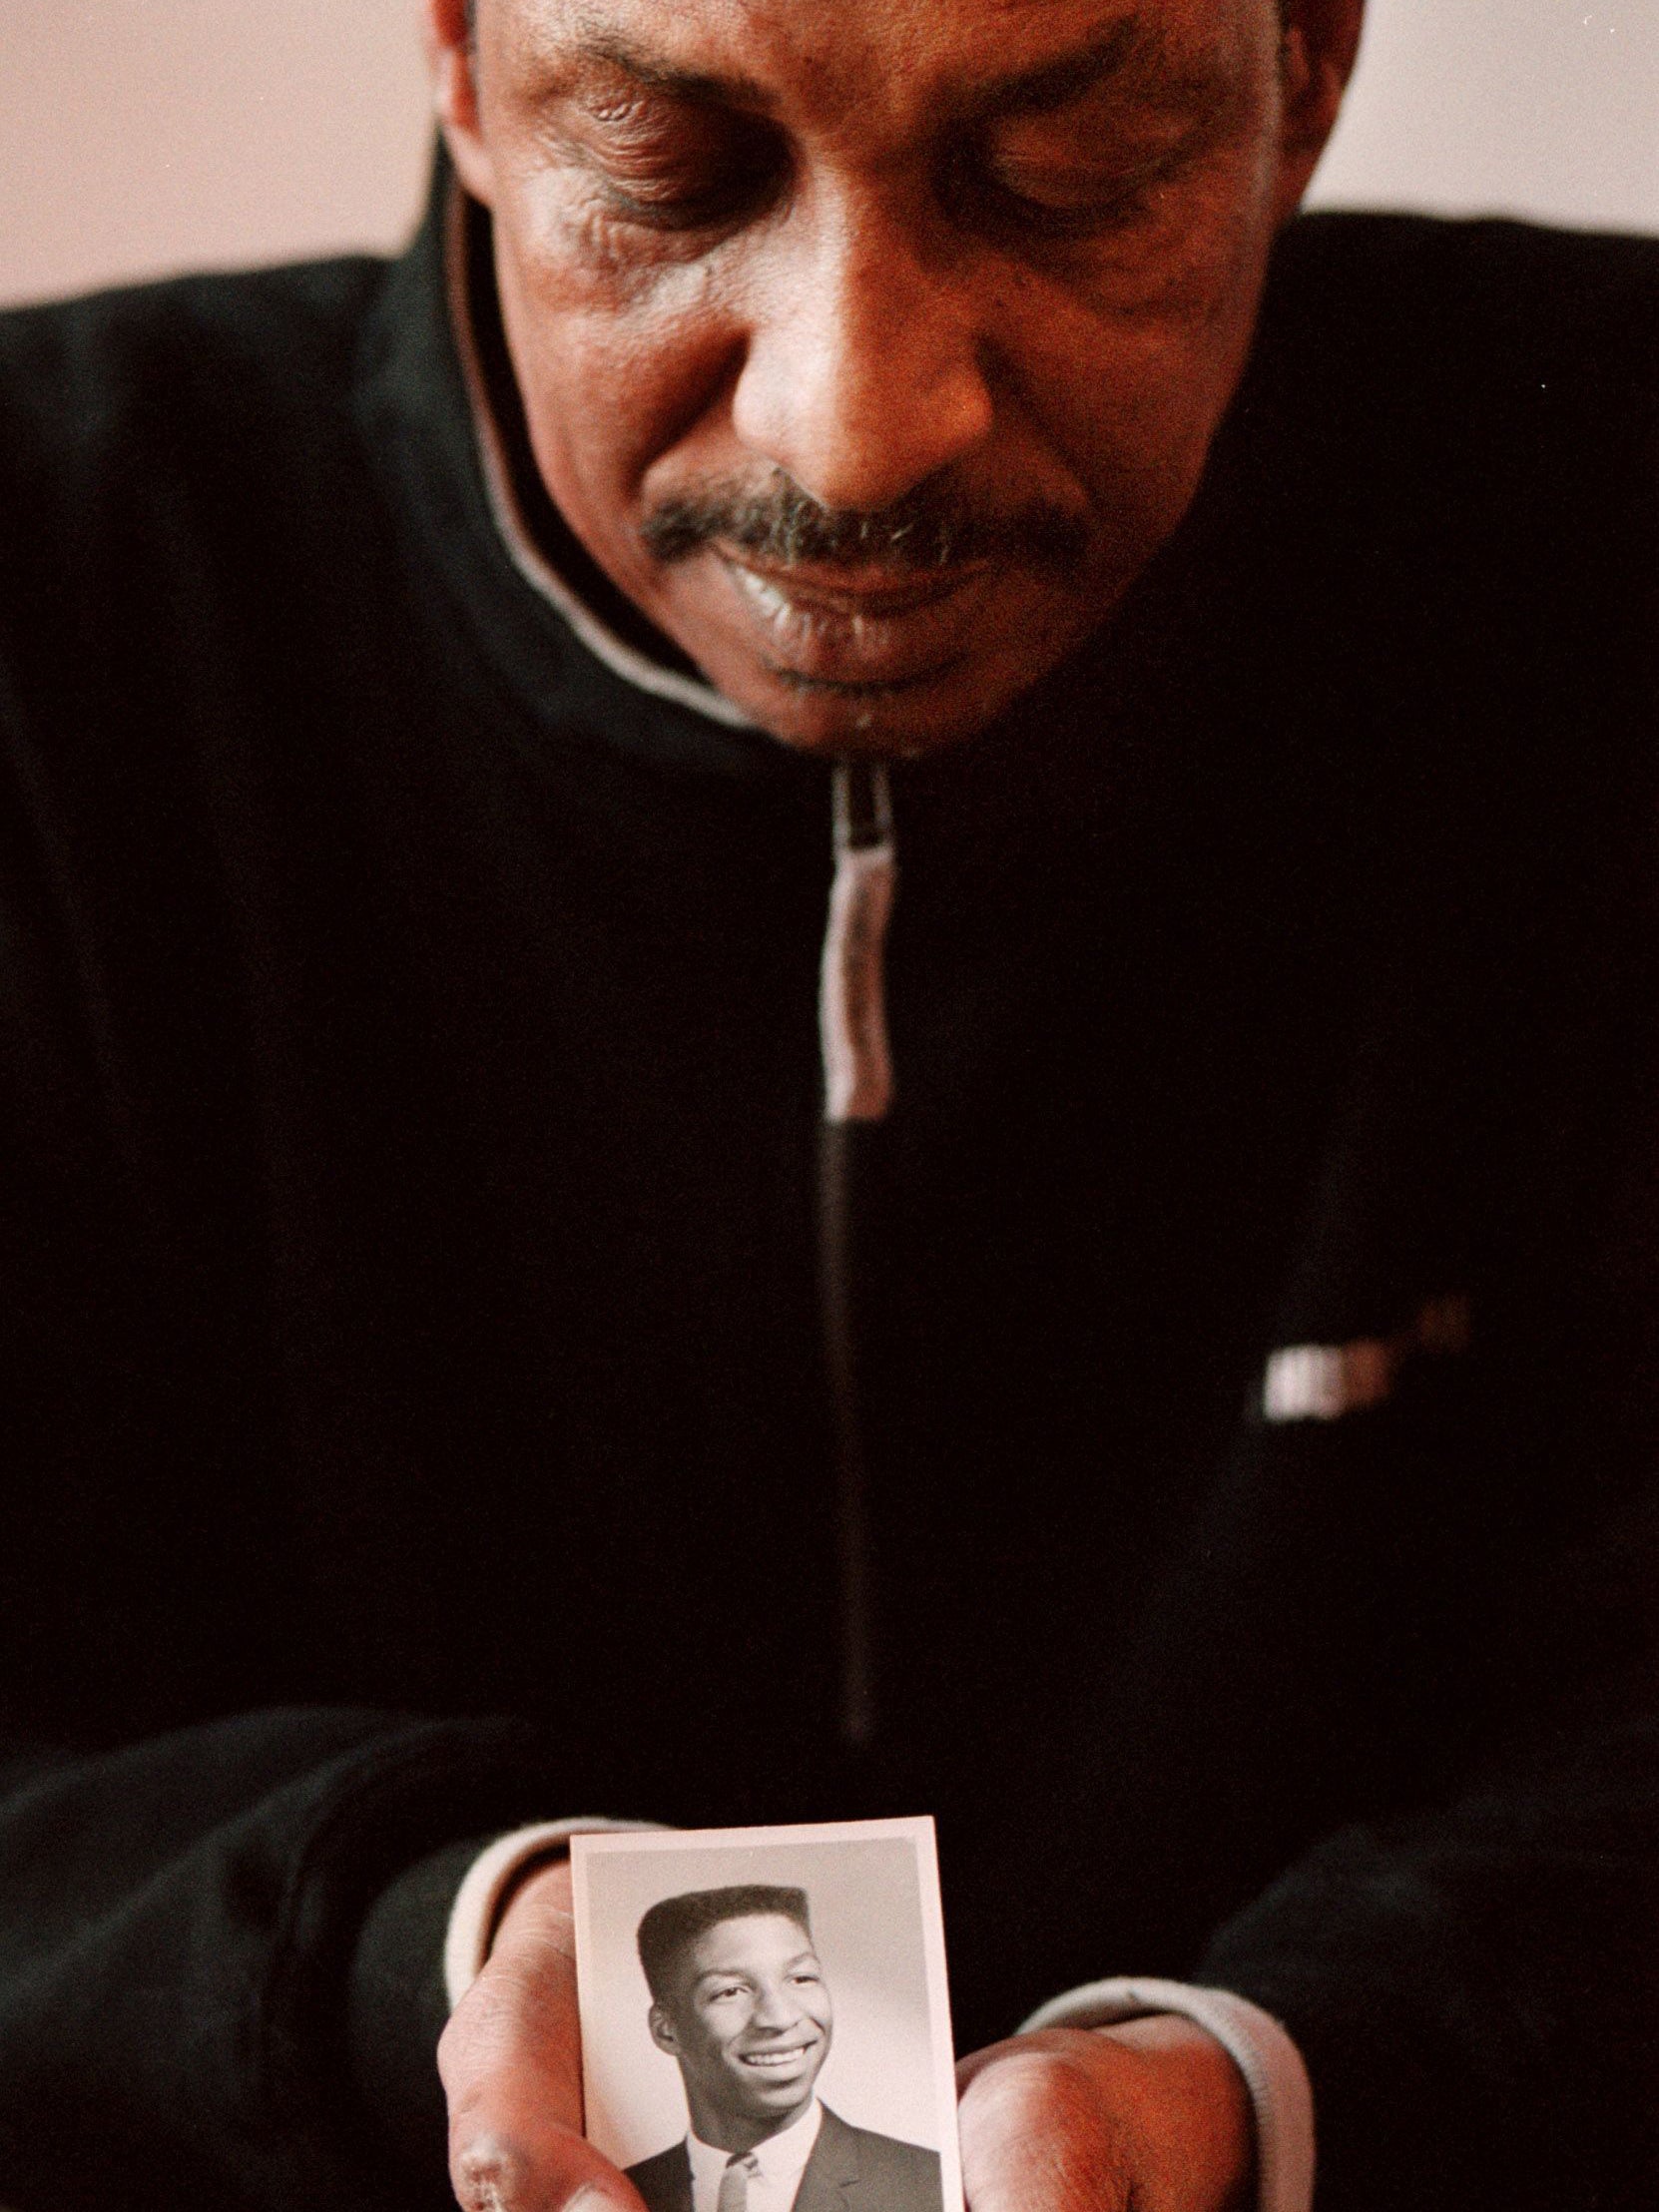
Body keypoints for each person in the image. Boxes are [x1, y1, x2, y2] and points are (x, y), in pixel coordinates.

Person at [0, 0, 1654, 2209]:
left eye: (1069, 178)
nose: (858, 430)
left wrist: (1279, 2081)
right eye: (673, 173)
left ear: (1309, 71)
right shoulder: (47, 587)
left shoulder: (1611, 502)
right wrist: (413, 1942)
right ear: (470, 60)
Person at [622, 1885, 943, 2212]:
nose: (780, 2018)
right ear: (666, 2030)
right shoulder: (619, 2194)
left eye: (801, 1978)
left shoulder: (933, 2185)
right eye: (731, 1991)